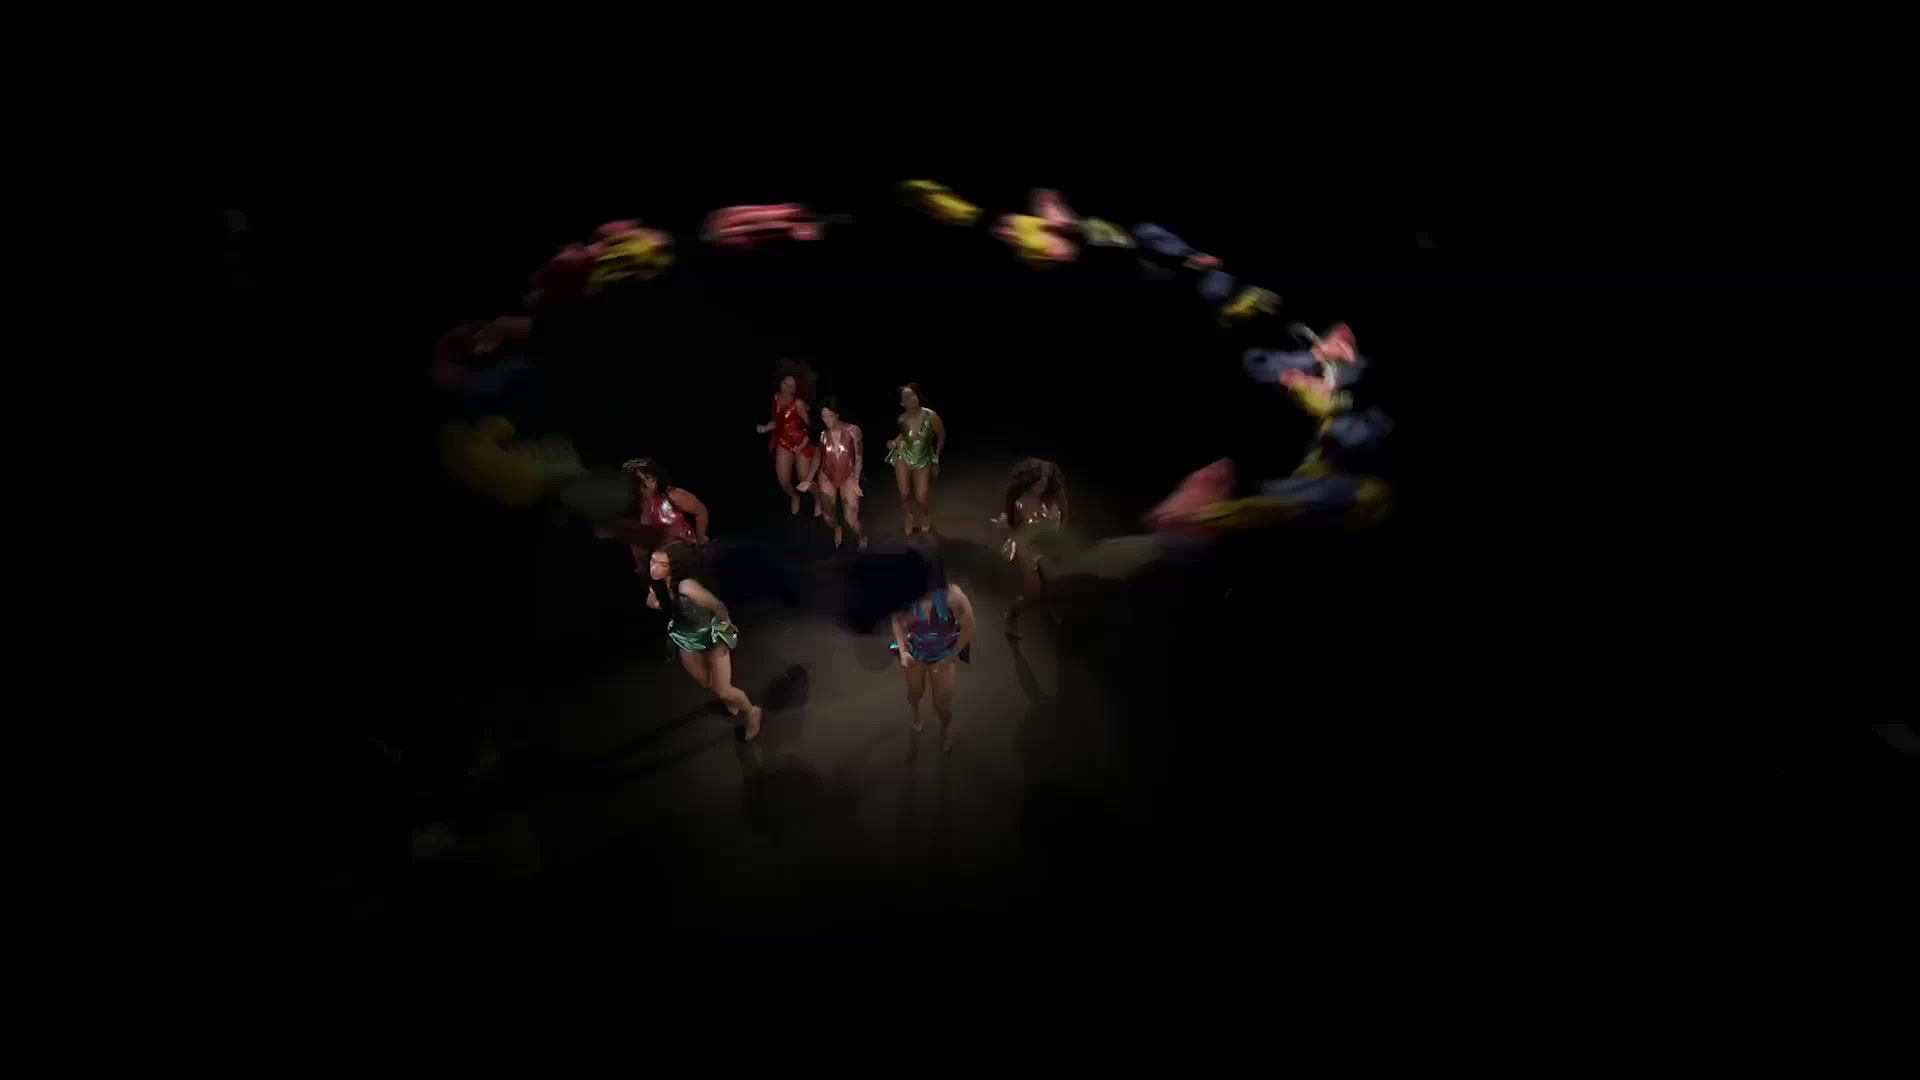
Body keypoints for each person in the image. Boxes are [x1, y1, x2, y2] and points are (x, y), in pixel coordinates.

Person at [647, 544, 762, 739]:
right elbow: (670, 608)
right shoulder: (657, 585)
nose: (654, 568)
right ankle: (730, 700)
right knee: (707, 682)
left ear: (674, 566)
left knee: (723, 691)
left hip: (711, 634)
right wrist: (658, 605)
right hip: (687, 637)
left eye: (662, 565)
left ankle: (751, 712)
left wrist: (728, 631)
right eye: (652, 561)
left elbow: (718, 607)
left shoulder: (686, 586)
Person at [889, 544, 974, 753]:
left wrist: (951, 656)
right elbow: (896, 621)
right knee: (914, 693)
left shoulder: (954, 598)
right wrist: (903, 651)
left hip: (943, 656)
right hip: (916, 652)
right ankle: (916, 713)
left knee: (942, 706)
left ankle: (946, 725)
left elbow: (969, 627)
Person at [990, 458, 1070, 639]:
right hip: (1026, 547)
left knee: (1053, 581)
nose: (1040, 486)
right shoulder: (1021, 502)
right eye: (1037, 482)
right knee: (1031, 593)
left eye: (1044, 482)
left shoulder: (1058, 497)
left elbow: (1065, 518)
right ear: (1029, 480)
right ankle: (1011, 618)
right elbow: (1016, 530)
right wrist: (1006, 527)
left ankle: (1050, 606)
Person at [596, 458, 710, 572]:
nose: (649, 485)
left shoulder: (672, 495)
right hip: (658, 564)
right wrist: (643, 568)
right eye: (642, 482)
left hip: (688, 555)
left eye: (650, 479)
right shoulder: (631, 508)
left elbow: (701, 511)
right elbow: (635, 544)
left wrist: (700, 540)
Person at [756, 361, 819, 515]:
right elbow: (778, 421)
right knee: (783, 480)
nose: (787, 387)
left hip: (802, 443)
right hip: (784, 441)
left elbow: (811, 428)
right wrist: (765, 428)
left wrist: (802, 445)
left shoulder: (798, 404)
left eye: (791, 386)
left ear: (796, 389)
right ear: (781, 381)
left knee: (804, 478)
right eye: (785, 383)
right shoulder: (776, 398)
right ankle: (794, 496)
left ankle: (819, 498)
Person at [883, 383, 945, 535]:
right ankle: (909, 517)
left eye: (913, 394)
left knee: (921, 496)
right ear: (902, 403)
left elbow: (941, 436)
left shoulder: (931, 416)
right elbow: (904, 435)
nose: (912, 398)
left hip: (923, 458)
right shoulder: (901, 419)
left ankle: (924, 515)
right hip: (903, 456)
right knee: (904, 493)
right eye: (907, 397)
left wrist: (936, 456)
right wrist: (894, 442)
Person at [811, 396, 867, 549]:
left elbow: (859, 458)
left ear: (837, 414)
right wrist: (809, 479)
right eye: (823, 416)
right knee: (828, 516)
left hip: (848, 475)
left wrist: (856, 481)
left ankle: (862, 535)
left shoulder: (853, 431)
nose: (826, 420)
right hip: (827, 475)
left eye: (830, 416)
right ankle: (837, 528)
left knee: (851, 519)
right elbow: (818, 458)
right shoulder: (822, 434)